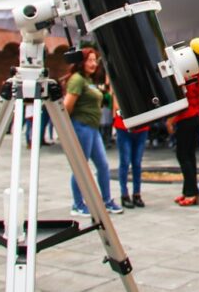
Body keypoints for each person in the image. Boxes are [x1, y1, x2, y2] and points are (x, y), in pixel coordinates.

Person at [62, 48, 123, 216]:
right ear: (81, 62)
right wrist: (66, 131)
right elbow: (67, 106)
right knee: (81, 167)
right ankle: (78, 204)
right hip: (81, 127)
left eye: (95, 60)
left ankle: (106, 201)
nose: (93, 63)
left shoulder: (87, 79)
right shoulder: (77, 80)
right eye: (90, 60)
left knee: (103, 165)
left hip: (92, 128)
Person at [167, 70, 199, 206]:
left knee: (183, 155)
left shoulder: (181, 75)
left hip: (186, 117)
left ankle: (191, 193)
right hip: (195, 115)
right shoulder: (195, 73)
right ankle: (189, 190)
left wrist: (171, 120)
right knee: (189, 155)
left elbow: (181, 100)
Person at [113, 96, 149, 209]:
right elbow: (116, 106)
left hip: (141, 126)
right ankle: (124, 194)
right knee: (125, 161)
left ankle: (136, 193)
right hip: (124, 126)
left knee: (137, 163)